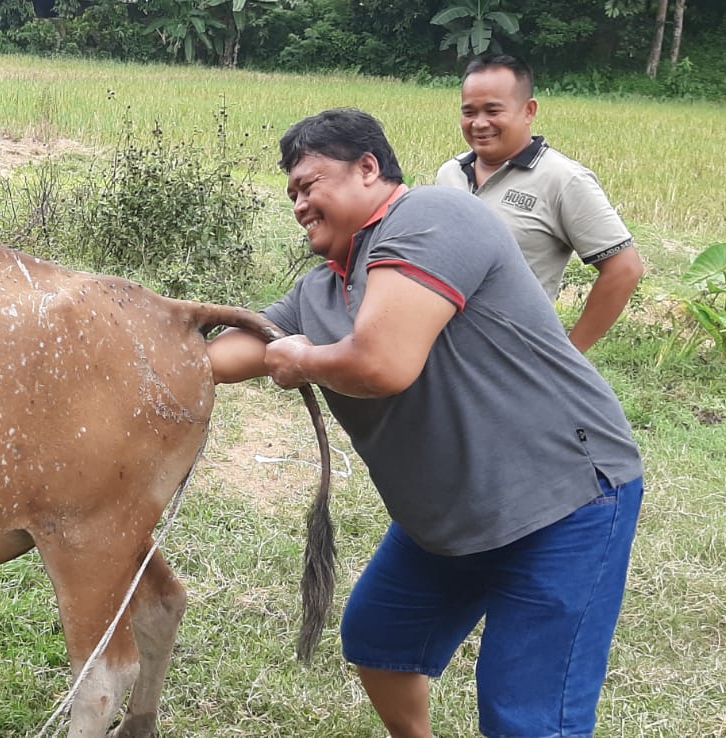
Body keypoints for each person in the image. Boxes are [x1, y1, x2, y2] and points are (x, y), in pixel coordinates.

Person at [207, 108, 644, 738]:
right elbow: (233, 353)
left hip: (561, 500)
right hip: (450, 519)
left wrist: (302, 357)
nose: (300, 203)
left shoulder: (432, 217)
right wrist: (150, 360)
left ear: (367, 168)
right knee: (383, 637)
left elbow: (381, 364)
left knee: (527, 715)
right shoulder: (320, 293)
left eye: (311, 183)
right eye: (292, 194)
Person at [435, 54, 644, 353]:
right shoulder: (450, 173)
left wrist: (569, 354)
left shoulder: (563, 180)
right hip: (441, 349)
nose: (479, 123)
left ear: (529, 110)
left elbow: (624, 269)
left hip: (513, 358)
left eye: (493, 110)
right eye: (469, 112)